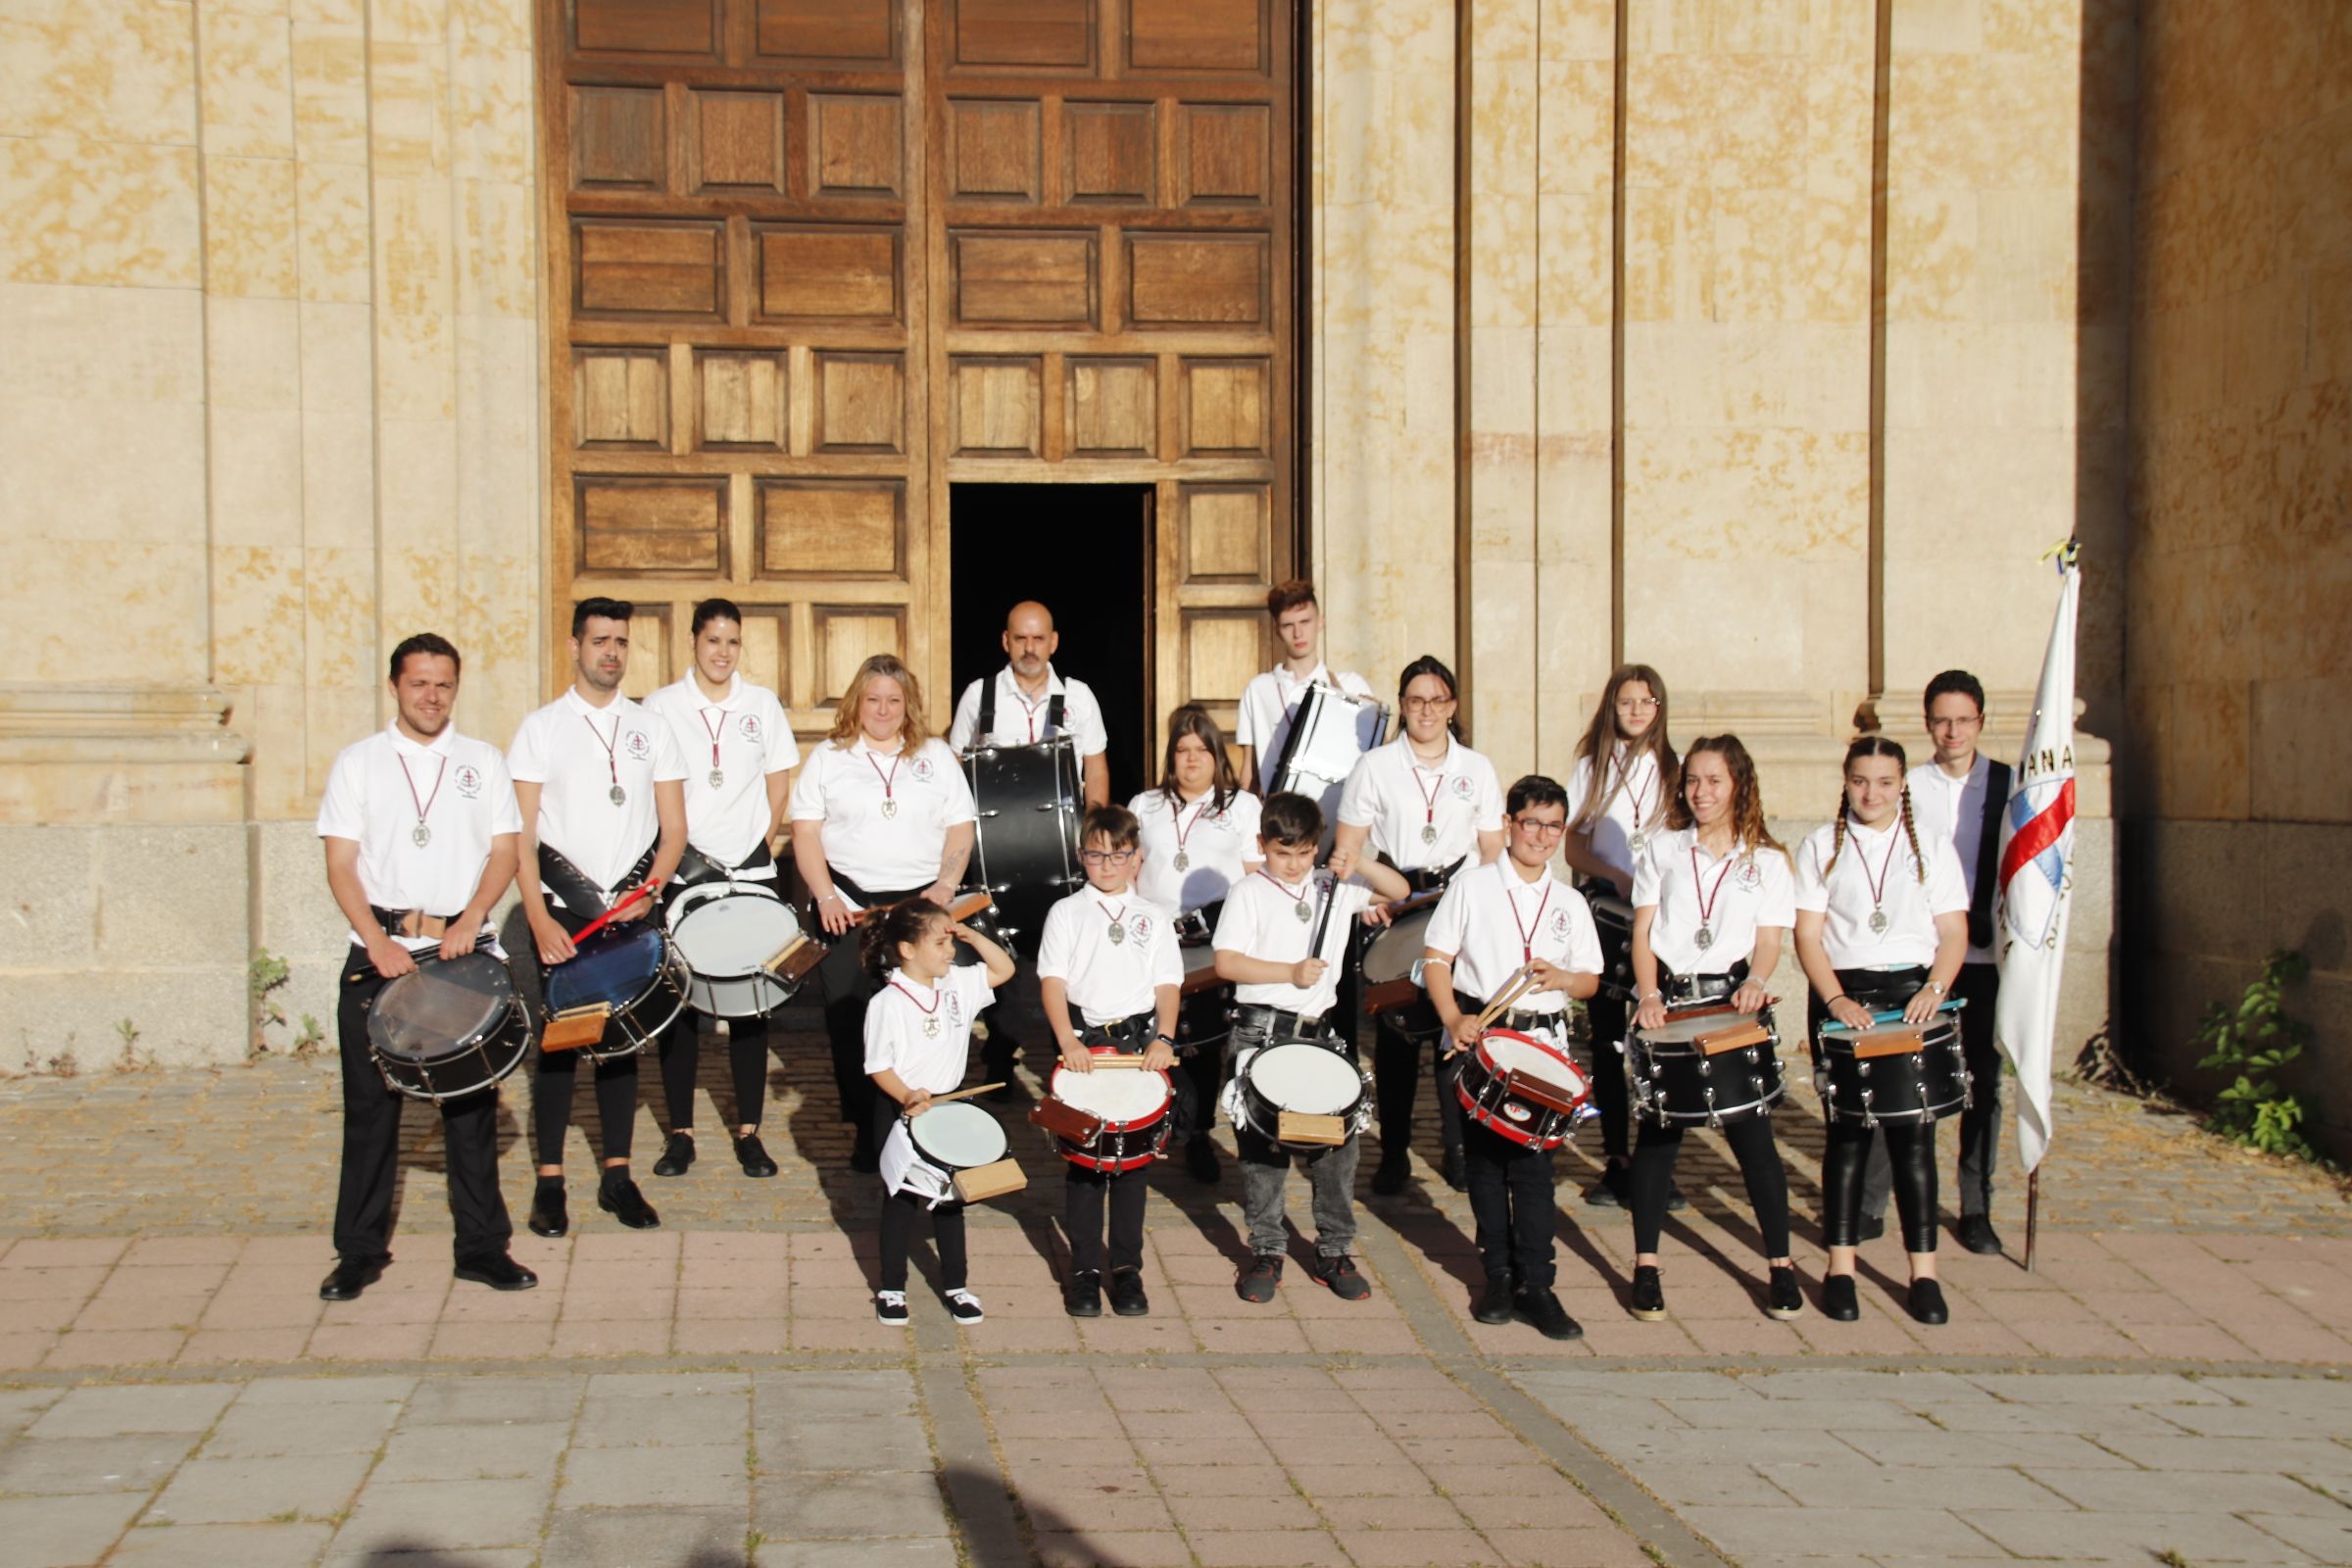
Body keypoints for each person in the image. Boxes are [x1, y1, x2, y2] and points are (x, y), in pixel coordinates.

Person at [315, 633, 534, 1301]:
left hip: (459, 954)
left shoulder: (482, 760)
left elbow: (504, 851)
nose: (431, 696)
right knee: (371, 1110)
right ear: (394, 687)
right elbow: (340, 862)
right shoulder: (358, 764)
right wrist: (371, 938)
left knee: (469, 1108)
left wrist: (471, 918)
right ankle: (358, 1251)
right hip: (381, 951)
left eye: (443, 684)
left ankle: (481, 1247)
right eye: (419, 683)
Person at [509, 599, 688, 1239]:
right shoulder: (541, 728)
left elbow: (675, 829)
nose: (610, 652)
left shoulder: (652, 727)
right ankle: (550, 1181)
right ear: (574, 646)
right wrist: (536, 916)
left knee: (621, 1045)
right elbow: (519, 838)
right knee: (559, 1050)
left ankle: (617, 1175)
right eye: (599, 640)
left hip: (631, 912)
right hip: (565, 913)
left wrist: (656, 887)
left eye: (620, 642)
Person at [1624, 735, 1803, 1323]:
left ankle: (1780, 1265)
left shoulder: (1769, 862)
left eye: (1714, 781)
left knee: (1754, 1139)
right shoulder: (1662, 849)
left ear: (1738, 785)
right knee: (1658, 1137)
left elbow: (1770, 939)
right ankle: (1646, 1265)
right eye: (1693, 781)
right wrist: (1648, 995)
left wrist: (1757, 979)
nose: (1701, 793)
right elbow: (1644, 932)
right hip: (1671, 1001)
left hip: (1731, 1006)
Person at [1793, 735, 1969, 1326]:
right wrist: (1835, 998)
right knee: (1847, 1137)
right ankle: (1839, 1267)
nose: (1872, 793)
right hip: (1845, 998)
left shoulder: (1932, 847)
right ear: (1845, 782)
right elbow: (1809, 935)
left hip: (1911, 996)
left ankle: (1924, 1275)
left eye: (1886, 782)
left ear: (1902, 785)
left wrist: (1934, 990)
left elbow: (1953, 932)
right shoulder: (1821, 845)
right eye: (1861, 781)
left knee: (1913, 1141)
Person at [1421, 775, 1602, 1341]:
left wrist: (1565, 977)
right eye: (1531, 823)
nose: (1541, 836)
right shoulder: (1472, 887)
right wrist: (1453, 1018)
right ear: (1509, 823)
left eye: (1553, 826)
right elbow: (1435, 959)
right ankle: (1496, 1274)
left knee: (1534, 1168)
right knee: (1484, 1162)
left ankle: (1538, 1284)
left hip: (1543, 1046)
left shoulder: (1570, 900)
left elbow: (1591, 981)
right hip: (1486, 1037)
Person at [1214, 792, 1406, 1304]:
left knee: (1337, 1145)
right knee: (1261, 1147)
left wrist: (1359, 860)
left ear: (1316, 847)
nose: (1294, 865)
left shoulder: (1333, 887)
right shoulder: (1249, 892)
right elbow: (1228, 963)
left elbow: (1401, 889)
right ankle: (1267, 1248)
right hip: (1260, 1029)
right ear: (1262, 845)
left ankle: (1334, 1248)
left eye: (1303, 853)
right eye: (1282, 853)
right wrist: (1289, 973)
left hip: (1317, 1030)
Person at [790, 655, 976, 1172]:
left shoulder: (936, 756)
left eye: (893, 700)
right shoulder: (829, 757)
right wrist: (825, 895)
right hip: (847, 909)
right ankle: (865, 1129)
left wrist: (946, 884)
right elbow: (805, 832)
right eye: (873, 699)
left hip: (918, 913)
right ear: (857, 701)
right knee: (852, 1024)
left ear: (907, 704)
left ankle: (926, 1122)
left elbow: (960, 826)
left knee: (924, 1021)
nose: (883, 709)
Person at [1329, 656, 1505, 1195]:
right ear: (1402, 706)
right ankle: (1395, 1152)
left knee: (1457, 1031)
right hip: (1398, 905)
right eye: (1414, 700)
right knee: (1397, 1039)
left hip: (1460, 905)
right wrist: (1372, 899)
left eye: (1436, 700)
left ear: (1451, 706)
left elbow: (1493, 853)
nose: (1426, 710)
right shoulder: (1374, 766)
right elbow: (1348, 849)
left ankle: (1457, 1149)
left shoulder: (1477, 770)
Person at [642, 599, 799, 1182]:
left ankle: (750, 1133)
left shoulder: (761, 705)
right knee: (681, 1005)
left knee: (751, 1005)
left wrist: (754, 849)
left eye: (732, 642)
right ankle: (680, 1133)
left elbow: (778, 783)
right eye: (713, 640)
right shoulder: (660, 706)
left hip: (749, 872)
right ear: (693, 642)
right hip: (685, 874)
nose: (722, 652)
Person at [1038, 805, 1183, 1318]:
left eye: (1117, 855)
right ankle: (1082, 1272)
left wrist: (1164, 1038)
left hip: (1139, 1049)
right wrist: (1068, 1043)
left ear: (1136, 858)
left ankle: (1127, 1271)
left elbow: (1168, 982)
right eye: (1096, 854)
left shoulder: (1154, 916)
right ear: (1082, 857)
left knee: (1131, 1167)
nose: (1106, 864)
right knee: (1085, 1166)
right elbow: (1053, 982)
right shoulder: (1066, 912)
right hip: (1085, 1048)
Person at [861, 899, 1017, 1326]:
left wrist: (972, 935)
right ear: (908, 949)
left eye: (951, 941)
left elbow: (1004, 970)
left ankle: (956, 1285)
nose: (950, 951)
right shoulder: (887, 1003)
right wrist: (909, 1096)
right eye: (940, 942)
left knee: (952, 1200)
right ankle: (891, 1288)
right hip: (903, 1108)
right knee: (902, 1201)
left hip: (951, 1105)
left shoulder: (957, 983)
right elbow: (878, 1065)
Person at [1560, 664, 1682, 1210]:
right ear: (1612, 707)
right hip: (1609, 917)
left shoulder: (1676, 769)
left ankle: (1660, 1162)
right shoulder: (1591, 767)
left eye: (1647, 701)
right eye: (1626, 701)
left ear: (1659, 708)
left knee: (1660, 1042)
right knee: (1610, 1043)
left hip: (1663, 925)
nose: (1636, 711)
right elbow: (1573, 848)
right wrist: (1616, 877)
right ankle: (1617, 1158)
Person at [1130, 705, 1263, 1182]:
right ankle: (1152, 1125)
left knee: (1205, 1042)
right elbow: (1128, 872)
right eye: (1182, 750)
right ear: (1170, 757)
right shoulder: (1144, 806)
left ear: (1217, 755)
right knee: (1153, 1035)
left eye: (1202, 750)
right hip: (1155, 941)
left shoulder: (1243, 808)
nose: (1191, 760)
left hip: (1212, 938)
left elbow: (1256, 879)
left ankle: (1200, 1132)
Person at [1906, 670, 2012, 1255]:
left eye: (1963, 720)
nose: (1952, 731)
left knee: (1983, 1081)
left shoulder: (2006, 784)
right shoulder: (1908, 786)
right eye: (1942, 720)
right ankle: (1881, 1200)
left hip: (1986, 954)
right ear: (1928, 724)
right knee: (1906, 1078)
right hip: (1920, 957)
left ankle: (1976, 1205)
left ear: (1979, 722)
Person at [946, 600, 1111, 808]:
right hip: (996, 834)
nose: (1029, 648)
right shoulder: (977, 695)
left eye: (1039, 639)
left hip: (1065, 835)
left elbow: (1096, 769)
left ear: (1053, 642)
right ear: (1006, 641)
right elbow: (954, 765)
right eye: (1021, 638)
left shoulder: (1078, 695)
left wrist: (1093, 830)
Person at [1234, 579, 1377, 797]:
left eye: (1305, 622)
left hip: (1336, 808)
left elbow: (1376, 757)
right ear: (1277, 630)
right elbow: (1248, 772)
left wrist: (1375, 719)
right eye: (1288, 625)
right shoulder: (1258, 689)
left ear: (1321, 622)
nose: (1298, 633)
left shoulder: (1351, 685)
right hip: (1279, 815)